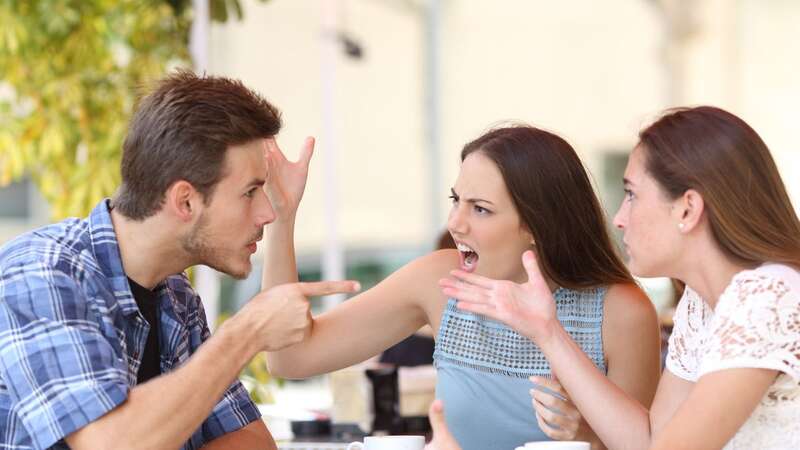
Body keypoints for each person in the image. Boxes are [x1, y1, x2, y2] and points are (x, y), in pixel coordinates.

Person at [0, 71, 358, 450]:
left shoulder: (175, 295)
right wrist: (246, 332)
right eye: (251, 192)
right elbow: (108, 443)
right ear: (185, 201)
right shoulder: (42, 274)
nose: (267, 212)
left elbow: (251, 443)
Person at [263, 125, 661, 450]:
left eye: (480, 209)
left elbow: (647, 447)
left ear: (536, 226)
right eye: (457, 200)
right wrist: (282, 219)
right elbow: (290, 360)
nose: (456, 223)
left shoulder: (620, 311)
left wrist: (586, 437)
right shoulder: (442, 282)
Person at [441, 106, 800, 449]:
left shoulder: (767, 294)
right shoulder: (700, 304)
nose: (618, 217)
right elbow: (647, 440)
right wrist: (547, 331)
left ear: (687, 209)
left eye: (631, 195)